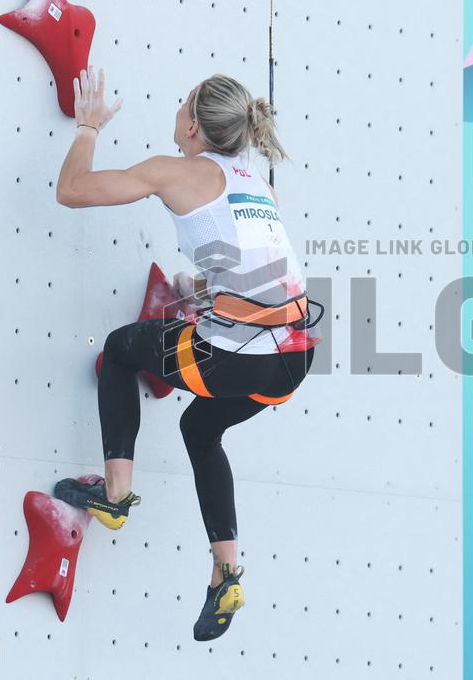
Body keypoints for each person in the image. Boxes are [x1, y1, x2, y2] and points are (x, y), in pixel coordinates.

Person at [50, 66, 323, 641]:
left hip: (238, 355)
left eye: (182, 105)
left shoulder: (174, 171)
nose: (176, 111)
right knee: (201, 429)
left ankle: (115, 494)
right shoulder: (258, 184)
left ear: (194, 126)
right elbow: (258, 271)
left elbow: (71, 191)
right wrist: (203, 294)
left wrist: (87, 128)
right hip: (294, 357)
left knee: (123, 351)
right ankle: (227, 575)